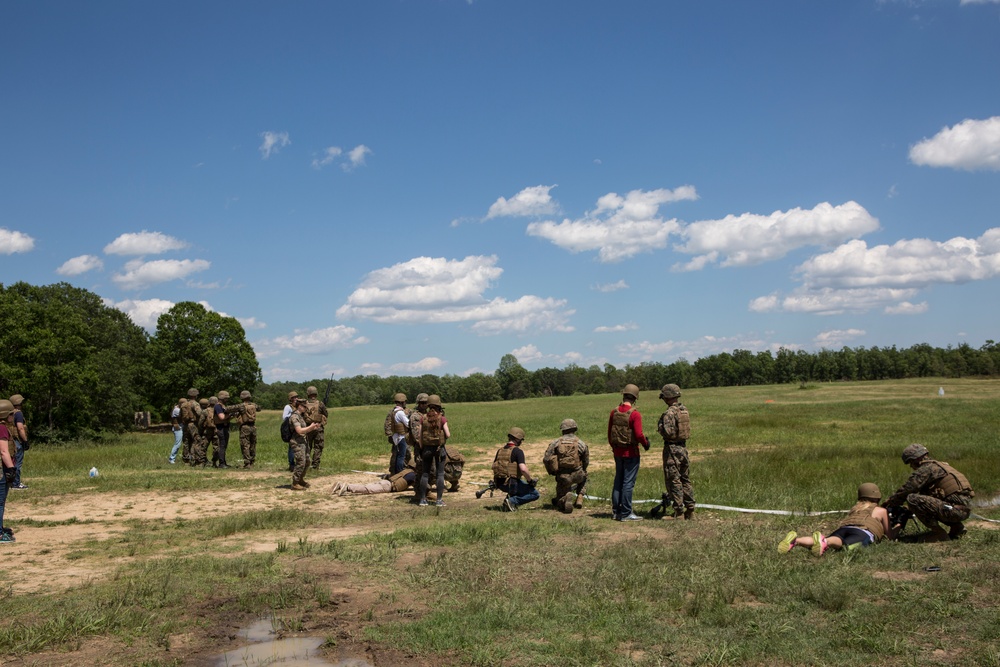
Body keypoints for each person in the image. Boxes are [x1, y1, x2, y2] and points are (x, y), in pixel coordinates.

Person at [883, 443, 975, 542]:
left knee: (912, 499)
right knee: (926, 498)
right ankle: (957, 528)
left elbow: (908, 489)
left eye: (911, 462)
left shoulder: (927, 469)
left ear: (916, 460)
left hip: (954, 511)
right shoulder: (941, 466)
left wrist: (889, 502)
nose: (911, 466)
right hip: (960, 510)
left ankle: (939, 533)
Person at [779, 483, 892, 556]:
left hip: (844, 528)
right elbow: (890, 536)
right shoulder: (881, 511)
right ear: (878, 496)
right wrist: (898, 526)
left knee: (829, 539)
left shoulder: (855, 508)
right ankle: (825, 542)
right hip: (863, 532)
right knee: (844, 546)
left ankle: (796, 541)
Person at [608, 384, 649, 521]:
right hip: (631, 453)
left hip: (617, 452)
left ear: (624, 395)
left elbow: (609, 434)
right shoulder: (635, 414)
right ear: (635, 397)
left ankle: (616, 511)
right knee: (627, 483)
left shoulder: (614, 412)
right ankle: (626, 513)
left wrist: (615, 448)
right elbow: (638, 434)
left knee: (618, 481)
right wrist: (645, 443)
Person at [657, 384, 694, 520]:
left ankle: (678, 512)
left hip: (672, 448)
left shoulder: (669, 413)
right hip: (683, 448)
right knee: (685, 478)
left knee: (674, 479)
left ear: (667, 396)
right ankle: (690, 510)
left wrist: (660, 426)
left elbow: (667, 432)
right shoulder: (684, 410)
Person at [543, 418, 589, 513]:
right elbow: (586, 460)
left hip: (563, 476)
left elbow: (546, 459)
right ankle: (580, 496)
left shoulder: (555, 443)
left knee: (560, 496)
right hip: (577, 474)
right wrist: (584, 470)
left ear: (562, 430)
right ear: (575, 429)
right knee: (584, 477)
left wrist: (552, 471)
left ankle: (564, 498)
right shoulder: (581, 443)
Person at [415, 394, 451, 507]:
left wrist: (422, 447)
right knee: (440, 474)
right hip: (439, 449)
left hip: (426, 449)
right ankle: (439, 500)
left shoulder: (423, 418)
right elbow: (448, 435)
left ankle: (422, 499)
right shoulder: (442, 418)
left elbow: (420, 436)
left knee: (425, 474)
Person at [492, 427, 539, 512]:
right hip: (511, 484)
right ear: (518, 438)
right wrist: (530, 481)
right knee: (534, 494)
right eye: (521, 440)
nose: (521, 442)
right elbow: (523, 469)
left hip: (499, 484)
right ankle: (511, 501)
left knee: (520, 485)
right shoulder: (517, 451)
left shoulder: (500, 451)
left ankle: (508, 501)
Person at [289, 398, 322, 490]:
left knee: (307, 461)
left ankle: (300, 479)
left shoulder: (301, 416)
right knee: (301, 462)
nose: (306, 408)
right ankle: (295, 483)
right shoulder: (294, 416)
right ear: (299, 406)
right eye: (304, 406)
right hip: (297, 442)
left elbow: (304, 429)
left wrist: (313, 427)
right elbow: (299, 430)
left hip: (303, 442)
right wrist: (310, 427)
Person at [0, 399, 17, 542]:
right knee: (0, 502)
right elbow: (4, 452)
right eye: (11, 414)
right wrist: (11, 469)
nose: (13, 416)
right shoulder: (2, 428)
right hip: (1, 470)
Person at [304, 386, 330, 470]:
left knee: (307, 446)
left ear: (308, 394)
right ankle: (315, 465)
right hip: (318, 428)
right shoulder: (320, 404)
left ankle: (305, 464)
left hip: (307, 428)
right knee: (318, 447)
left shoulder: (304, 404)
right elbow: (326, 414)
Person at [385, 393, 410, 475]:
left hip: (398, 436)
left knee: (404, 455)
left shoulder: (394, 411)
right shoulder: (400, 412)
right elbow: (388, 424)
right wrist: (389, 435)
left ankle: (402, 469)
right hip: (402, 436)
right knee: (399, 455)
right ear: (403, 402)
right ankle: (397, 471)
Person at [9, 394, 28, 490]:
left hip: (8, 441)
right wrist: (25, 441)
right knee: (18, 463)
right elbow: (20, 428)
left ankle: (10, 482)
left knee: (10, 462)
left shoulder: (8, 413)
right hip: (17, 441)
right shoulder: (18, 413)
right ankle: (16, 483)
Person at [236, 390, 259, 468]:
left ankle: (247, 463)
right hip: (253, 426)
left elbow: (228, 409)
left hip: (244, 427)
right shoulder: (254, 405)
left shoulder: (240, 406)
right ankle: (252, 461)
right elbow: (259, 408)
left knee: (245, 444)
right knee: (253, 444)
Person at [191, 398, 216, 467]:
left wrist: (201, 429)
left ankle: (201, 462)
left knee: (203, 446)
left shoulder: (205, 411)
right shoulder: (218, 410)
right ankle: (215, 462)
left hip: (207, 430)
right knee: (216, 447)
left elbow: (200, 422)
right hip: (217, 430)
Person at [214, 390, 234, 468]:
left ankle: (223, 462)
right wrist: (229, 415)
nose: (227, 399)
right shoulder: (218, 406)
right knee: (222, 445)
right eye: (226, 398)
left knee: (224, 445)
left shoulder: (223, 406)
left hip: (224, 427)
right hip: (220, 428)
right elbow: (222, 417)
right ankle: (221, 463)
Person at [181, 388, 201, 464]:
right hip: (193, 424)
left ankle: (186, 460)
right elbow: (199, 413)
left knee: (186, 442)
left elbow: (180, 415)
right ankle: (196, 459)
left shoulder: (183, 404)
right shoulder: (195, 404)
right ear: (195, 395)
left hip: (185, 424)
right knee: (196, 441)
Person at [283, 391, 298, 472]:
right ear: (291, 399)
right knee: (291, 447)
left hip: (298, 428)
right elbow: (284, 417)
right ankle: (291, 464)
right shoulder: (288, 407)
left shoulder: (298, 406)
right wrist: (293, 414)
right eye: (294, 397)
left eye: (296, 397)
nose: (296, 399)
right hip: (291, 429)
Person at [168, 397, 184, 464]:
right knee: (177, 444)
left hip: (180, 427)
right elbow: (184, 416)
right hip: (178, 428)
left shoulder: (178, 408)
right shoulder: (177, 410)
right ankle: (171, 458)